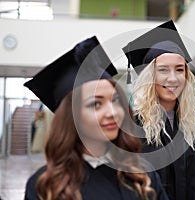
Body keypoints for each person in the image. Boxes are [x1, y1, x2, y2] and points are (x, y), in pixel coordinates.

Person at [24, 36, 168, 200]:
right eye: (96, 104)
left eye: (115, 100)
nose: (112, 112)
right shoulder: (45, 186)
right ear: (72, 117)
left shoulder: (142, 176)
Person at [123, 20, 195, 200]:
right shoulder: (132, 129)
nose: (173, 78)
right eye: (163, 70)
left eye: (179, 70)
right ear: (150, 76)